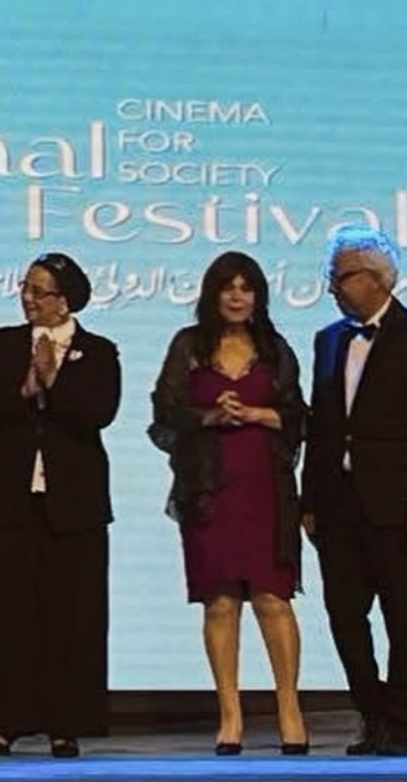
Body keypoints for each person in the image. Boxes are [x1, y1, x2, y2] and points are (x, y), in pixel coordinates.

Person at [148, 251, 307, 755]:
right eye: (228, 287)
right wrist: (210, 416)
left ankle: (289, 710)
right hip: (208, 489)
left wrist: (257, 413)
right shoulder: (189, 346)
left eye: (246, 287)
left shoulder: (275, 350)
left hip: (264, 487)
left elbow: (298, 418)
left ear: (258, 296)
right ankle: (230, 716)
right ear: (212, 294)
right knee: (220, 602)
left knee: (272, 598)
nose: (237, 297)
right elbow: (165, 413)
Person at [0, 251, 120, 758]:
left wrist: (56, 382)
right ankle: (4, 721)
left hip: (74, 505)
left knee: (69, 615)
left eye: (39, 290)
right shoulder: (3, 343)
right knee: (8, 613)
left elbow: (100, 411)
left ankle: (65, 723)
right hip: (10, 500)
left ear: (65, 300)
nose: (28, 298)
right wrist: (24, 389)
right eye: (25, 288)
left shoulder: (99, 351)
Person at [301, 227, 407, 757]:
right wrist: (310, 500)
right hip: (338, 504)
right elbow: (323, 425)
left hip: (401, 505)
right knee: (344, 615)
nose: (332, 287)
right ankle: (371, 712)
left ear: (379, 279)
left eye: (341, 277)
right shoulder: (329, 339)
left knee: (405, 617)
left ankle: (406, 724)